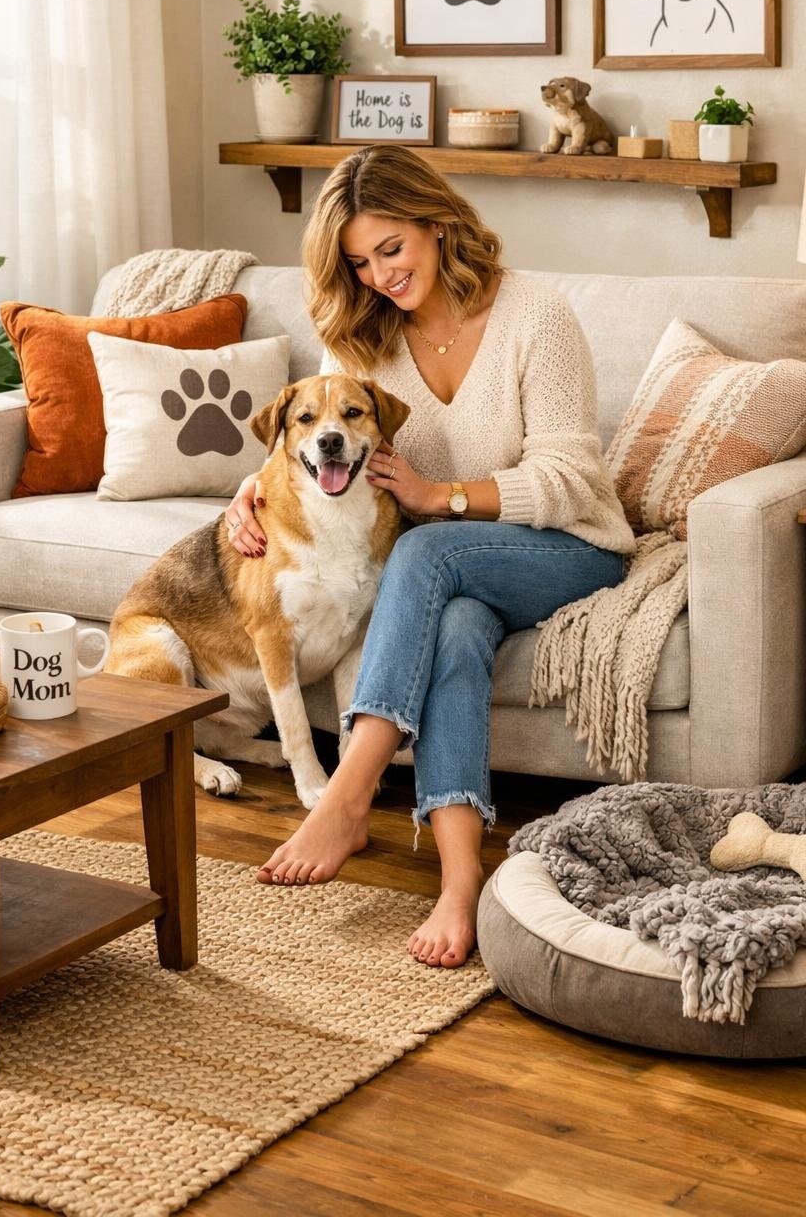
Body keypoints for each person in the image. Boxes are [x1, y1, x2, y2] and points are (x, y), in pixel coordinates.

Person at [225, 144, 635, 967]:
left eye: (392, 249)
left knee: (428, 554)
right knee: (452, 630)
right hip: (454, 567)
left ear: (438, 225)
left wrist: (434, 497)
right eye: (359, 262)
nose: (378, 275)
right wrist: (252, 487)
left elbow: (570, 476)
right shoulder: (365, 339)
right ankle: (459, 882)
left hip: (565, 547)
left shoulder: (536, 315)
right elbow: (317, 432)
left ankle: (349, 792)